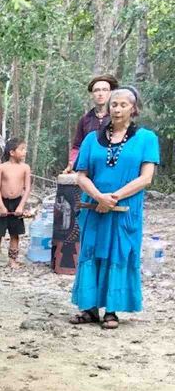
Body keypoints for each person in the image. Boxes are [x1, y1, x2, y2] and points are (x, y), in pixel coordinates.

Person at [68, 86, 158, 330]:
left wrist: (114, 198)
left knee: (118, 253)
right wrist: (99, 197)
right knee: (91, 252)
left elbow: (145, 178)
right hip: (94, 208)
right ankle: (89, 309)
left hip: (125, 210)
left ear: (133, 109)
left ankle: (112, 311)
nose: (117, 109)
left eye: (123, 105)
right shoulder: (91, 139)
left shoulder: (146, 139)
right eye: (114, 104)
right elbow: (81, 175)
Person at [0, 137, 32, 269]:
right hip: (2, 202)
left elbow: (27, 188)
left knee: (14, 233)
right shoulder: (1, 168)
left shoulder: (25, 168)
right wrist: (0, 205)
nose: (25, 152)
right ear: (12, 152)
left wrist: (21, 206)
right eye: (22, 149)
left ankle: (13, 260)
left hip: (17, 203)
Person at [63, 74, 119, 173]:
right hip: (89, 170)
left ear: (111, 93)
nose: (100, 94)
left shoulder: (119, 117)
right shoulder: (85, 120)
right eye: (96, 90)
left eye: (104, 90)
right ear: (92, 94)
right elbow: (77, 146)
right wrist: (72, 163)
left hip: (114, 168)